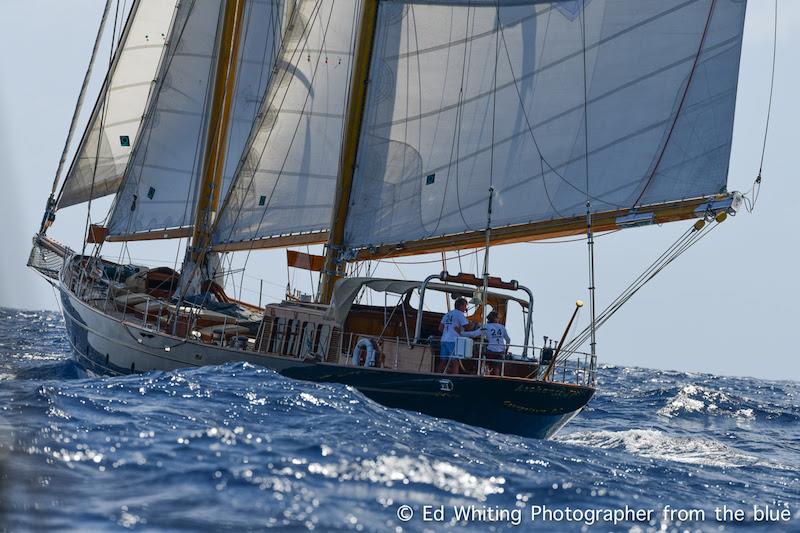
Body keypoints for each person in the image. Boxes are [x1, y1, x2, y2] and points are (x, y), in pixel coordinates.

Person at [464, 311, 511, 375]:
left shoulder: (486, 326)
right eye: (498, 317)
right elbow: (508, 340)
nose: (499, 318)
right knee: (496, 367)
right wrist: (506, 349)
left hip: (490, 351)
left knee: (481, 357)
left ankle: (483, 373)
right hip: (501, 352)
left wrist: (461, 333)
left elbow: (474, 334)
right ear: (495, 318)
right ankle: (496, 380)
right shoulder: (502, 327)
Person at [437, 298, 469, 373]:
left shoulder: (447, 314)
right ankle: (455, 377)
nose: (465, 308)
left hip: (444, 340)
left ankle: (438, 375)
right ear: (461, 306)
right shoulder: (459, 314)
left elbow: (440, 328)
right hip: (453, 341)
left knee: (442, 361)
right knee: (455, 361)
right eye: (465, 306)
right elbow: (467, 327)